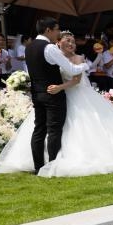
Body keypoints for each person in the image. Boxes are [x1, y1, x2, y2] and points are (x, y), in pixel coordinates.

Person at [0, 30, 113, 176]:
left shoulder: (78, 58)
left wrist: (59, 87)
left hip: (76, 94)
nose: (71, 44)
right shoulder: (54, 57)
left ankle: (60, 159)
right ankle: (44, 160)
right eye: (67, 41)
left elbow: (76, 80)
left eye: (73, 42)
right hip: (56, 97)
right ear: (58, 42)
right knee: (48, 128)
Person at [20, 18, 89, 173]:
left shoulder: (29, 47)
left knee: (39, 130)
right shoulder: (49, 48)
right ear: (48, 30)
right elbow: (72, 69)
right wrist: (85, 65)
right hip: (53, 95)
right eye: (57, 29)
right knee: (54, 131)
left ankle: (38, 167)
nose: (58, 32)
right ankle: (52, 166)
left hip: (37, 94)